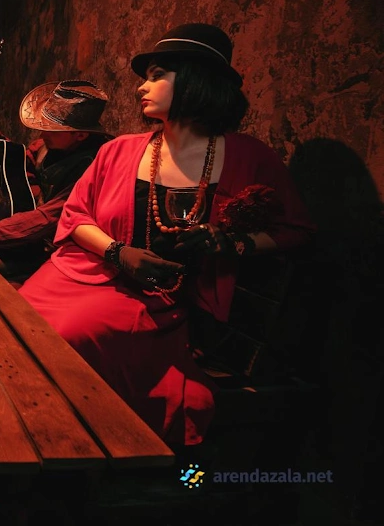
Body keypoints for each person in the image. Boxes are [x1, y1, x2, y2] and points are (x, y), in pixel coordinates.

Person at [17, 23, 315, 449]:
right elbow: (76, 215)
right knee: (17, 324)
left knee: (66, 335)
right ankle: (25, 433)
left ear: (196, 81)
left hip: (161, 298)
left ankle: (67, 445)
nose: (142, 86)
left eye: (157, 75)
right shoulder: (119, 150)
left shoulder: (248, 156)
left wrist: (233, 244)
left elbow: (295, 231)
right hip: (86, 273)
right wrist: (118, 252)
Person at [0, 80, 113, 286]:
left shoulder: (94, 166)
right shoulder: (45, 146)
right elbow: (13, 163)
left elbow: (46, 219)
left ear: (81, 135)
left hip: (60, 251)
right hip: (29, 240)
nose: (42, 133)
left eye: (52, 129)